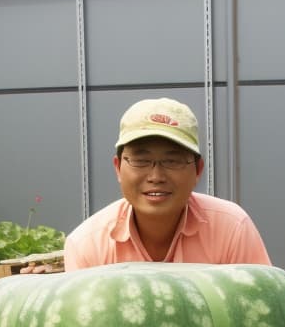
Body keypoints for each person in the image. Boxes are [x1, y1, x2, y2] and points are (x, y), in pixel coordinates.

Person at [23, 97, 271, 271]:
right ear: (118, 168)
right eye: (141, 161)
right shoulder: (88, 245)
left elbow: (258, 316)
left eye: (172, 161)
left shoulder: (232, 229)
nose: (156, 176)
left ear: (197, 170)